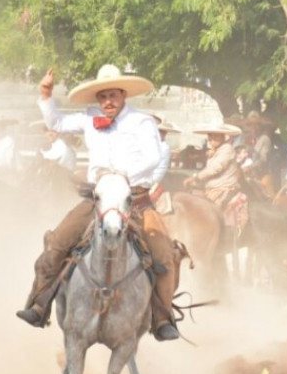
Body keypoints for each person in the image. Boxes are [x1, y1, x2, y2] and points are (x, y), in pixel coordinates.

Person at [16, 66, 183, 342]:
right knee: (57, 242)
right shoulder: (89, 118)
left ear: (123, 94)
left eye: (113, 95)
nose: (108, 101)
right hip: (99, 199)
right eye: (103, 96)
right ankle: (39, 304)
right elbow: (56, 123)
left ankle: (163, 318)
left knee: (164, 255)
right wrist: (46, 95)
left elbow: (153, 157)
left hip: (136, 200)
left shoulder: (142, 122)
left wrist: (121, 176)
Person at [182, 122, 243, 208]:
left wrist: (196, 177)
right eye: (210, 135)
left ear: (222, 136)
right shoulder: (216, 150)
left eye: (216, 136)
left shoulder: (227, 149)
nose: (212, 138)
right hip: (212, 188)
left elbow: (215, 168)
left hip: (223, 188)